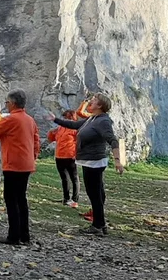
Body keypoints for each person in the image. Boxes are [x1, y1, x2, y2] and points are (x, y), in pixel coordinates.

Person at [47, 93, 123, 236]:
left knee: (95, 194)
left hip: (94, 162)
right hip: (89, 161)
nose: (89, 103)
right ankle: (100, 224)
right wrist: (55, 119)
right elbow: (74, 124)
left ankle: (98, 226)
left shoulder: (103, 121)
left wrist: (118, 161)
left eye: (93, 101)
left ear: (99, 106)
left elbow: (112, 140)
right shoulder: (92, 119)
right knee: (96, 193)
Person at [0, 89, 40, 245]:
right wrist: (32, 157)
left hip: (13, 164)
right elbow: (36, 141)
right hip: (26, 164)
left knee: (11, 199)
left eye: (7, 102)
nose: (6, 104)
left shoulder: (11, 119)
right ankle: (25, 235)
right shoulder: (29, 119)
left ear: (13, 103)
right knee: (21, 198)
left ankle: (14, 236)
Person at [47, 109, 79, 208]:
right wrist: (51, 132)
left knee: (74, 178)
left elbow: (79, 142)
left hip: (70, 156)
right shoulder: (60, 128)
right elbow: (51, 139)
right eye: (64, 117)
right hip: (59, 156)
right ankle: (66, 198)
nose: (65, 119)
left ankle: (75, 199)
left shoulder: (75, 129)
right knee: (64, 178)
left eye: (67, 117)